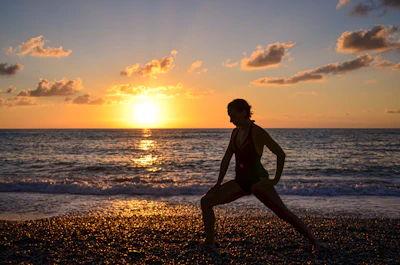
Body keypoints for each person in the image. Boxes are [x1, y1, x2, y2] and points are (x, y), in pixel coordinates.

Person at [200, 99, 321, 252]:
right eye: (229, 116)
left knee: (284, 214)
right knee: (206, 201)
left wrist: (275, 180)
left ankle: (315, 242)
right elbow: (226, 159)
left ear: (244, 113)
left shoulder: (257, 132)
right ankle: (210, 242)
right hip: (240, 182)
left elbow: (280, 154)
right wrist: (218, 183)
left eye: (233, 116)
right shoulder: (235, 132)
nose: (230, 120)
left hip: (258, 182)